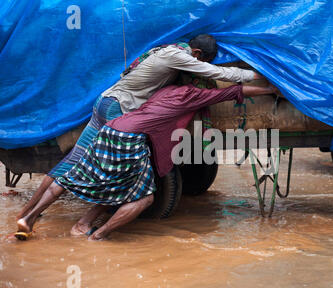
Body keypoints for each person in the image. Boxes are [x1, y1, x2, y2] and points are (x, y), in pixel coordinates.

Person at [16, 34, 262, 222]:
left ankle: (27, 216)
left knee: (72, 162)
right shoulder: (179, 56)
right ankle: (87, 225)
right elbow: (216, 72)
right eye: (201, 60)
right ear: (196, 53)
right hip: (120, 109)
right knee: (120, 175)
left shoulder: (165, 49)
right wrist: (257, 75)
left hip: (104, 102)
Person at [14, 82, 278, 241]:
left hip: (111, 128)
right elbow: (235, 90)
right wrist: (269, 89)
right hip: (129, 139)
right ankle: (97, 236)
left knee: (78, 177)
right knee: (143, 198)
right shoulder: (194, 95)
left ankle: (33, 219)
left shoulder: (165, 90)